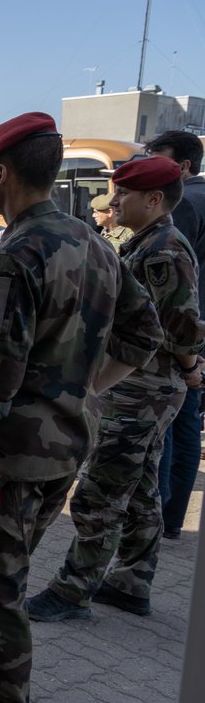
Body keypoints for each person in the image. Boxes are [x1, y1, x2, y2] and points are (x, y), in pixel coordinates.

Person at [0, 112, 160, 703]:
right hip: (65, 451)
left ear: (1, 175)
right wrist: (86, 392)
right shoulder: (92, 242)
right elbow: (145, 338)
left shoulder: (15, 256)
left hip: (7, 462)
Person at [26, 157, 204, 622]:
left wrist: (189, 368)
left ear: (155, 199)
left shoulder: (165, 249)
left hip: (140, 389)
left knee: (99, 492)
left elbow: (182, 325)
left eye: (123, 193)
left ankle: (72, 590)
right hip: (142, 387)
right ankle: (131, 581)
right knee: (140, 488)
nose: (114, 200)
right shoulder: (145, 241)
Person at [145, 131, 205, 540]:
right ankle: (171, 520)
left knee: (164, 431)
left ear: (182, 167)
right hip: (197, 335)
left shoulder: (185, 204)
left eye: (157, 159)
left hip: (178, 337)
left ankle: (156, 521)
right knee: (186, 429)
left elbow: (169, 287)